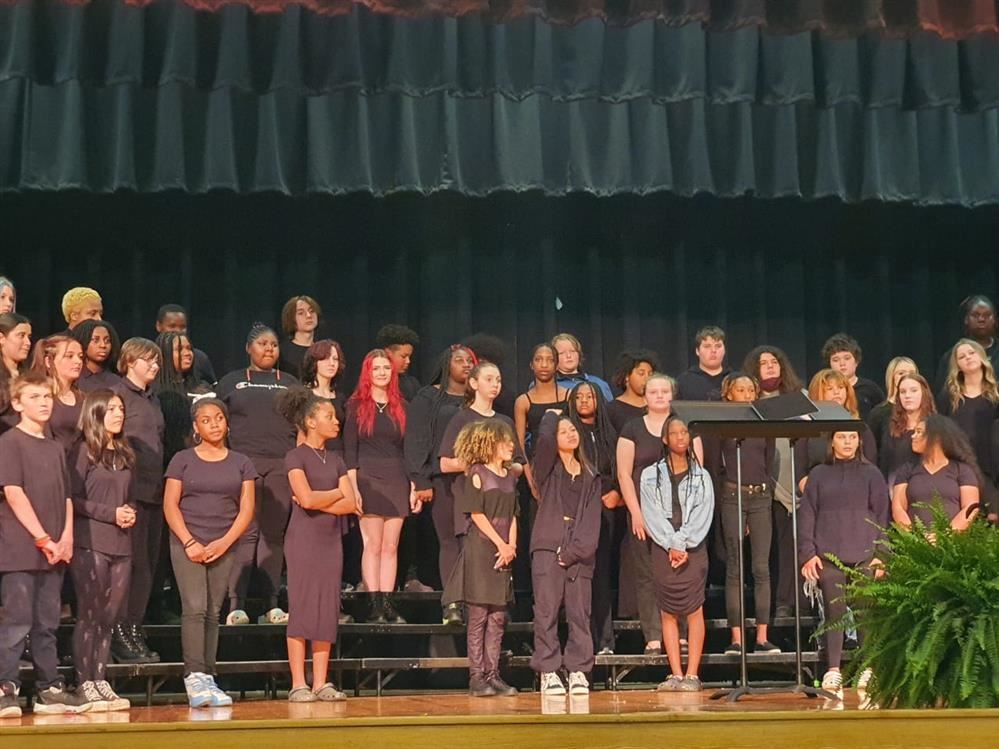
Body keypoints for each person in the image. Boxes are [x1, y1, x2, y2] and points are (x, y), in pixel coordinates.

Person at [0, 372, 91, 717]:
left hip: (55, 550)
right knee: (16, 621)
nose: (43, 403)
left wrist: (66, 538)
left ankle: (48, 688)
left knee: (47, 623)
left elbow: (66, 496)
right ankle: (5, 688)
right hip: (21, 549)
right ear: (18, 403)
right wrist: (42, 538)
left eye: (46, 397)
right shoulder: (10, 442)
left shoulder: (54, 447)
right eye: (34, 397)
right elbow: (14, 492)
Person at [164, 398, 256, 708]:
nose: (214, 424)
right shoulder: (182, 459)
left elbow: (246, 509)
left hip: (223, 544)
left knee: (213, 611)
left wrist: (225, 542)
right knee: (195, 607)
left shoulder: (242, 462)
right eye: (206, 420)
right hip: (187, 542)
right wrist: (189, 541)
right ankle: (194, 675)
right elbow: (170, 505)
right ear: (195, 426)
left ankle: (208, 675)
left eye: (218, 418)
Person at [278, 387, 357, 702]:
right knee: (303, 608)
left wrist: (328, 498)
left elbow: (350, 503)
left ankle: (321, 682)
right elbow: (305, 499)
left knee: (326, 609)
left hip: (330, 541)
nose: (336, 422)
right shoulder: (295, 457)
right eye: (329, 416)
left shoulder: (336, 459)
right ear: (311, 422)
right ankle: (298, 683)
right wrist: (335, 494)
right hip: (303, 541)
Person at [217, 323, 299, 625]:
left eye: (273, 345)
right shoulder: (232, 381)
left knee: (273, 535)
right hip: (243, 463)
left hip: (280, 463)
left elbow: (303, 424)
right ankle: (236, 605)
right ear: (248, 348)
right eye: (262, 344)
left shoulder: (289, 382)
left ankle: (272, 604)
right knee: (245, 532)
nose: (269, 349)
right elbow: (215, 419)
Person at [799, 430, 890, 699]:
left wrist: (882, 553)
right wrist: (808, 553)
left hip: (865, 554)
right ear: (832, 441)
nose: (848, 442)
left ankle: (869, 667)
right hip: (828, 555)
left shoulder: (872, 474)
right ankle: (833, 669)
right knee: (834, 609)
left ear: (860, 440)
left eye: (852, 437)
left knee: (865, 610)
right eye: (842, 437)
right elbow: (807, 516)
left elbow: (883, 517)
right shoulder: (818, 475)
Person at [617, 373, 702, 656]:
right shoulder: (632, 428)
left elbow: (698, 473)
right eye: (653, 392)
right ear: (644, 396)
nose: (659, 396)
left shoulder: (686, 425)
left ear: (672, 394)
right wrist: (636, 513)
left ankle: (681, 633)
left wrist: (690, 519)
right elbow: (624, 474)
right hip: (643, 512)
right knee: (646, 573)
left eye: (665, 391)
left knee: (680, 571)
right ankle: (653, 636)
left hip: (679, 514)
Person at [438, 361, 525, 624]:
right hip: (470, 496)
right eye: (489, 379)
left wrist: (504, 467)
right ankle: (455, 604)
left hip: (499, 502)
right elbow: (445, 463)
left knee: (497, 549)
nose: (495, 384)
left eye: (498, 379)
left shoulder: (504, 421)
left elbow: (519, 464)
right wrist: (482, 463)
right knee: (467, 549)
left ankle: (496, 603)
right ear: (474, 383)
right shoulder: (461, 418)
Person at [442, 419, 520, 698]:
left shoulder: (510, 475)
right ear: (490, 444)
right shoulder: (477, 473)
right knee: (478, 616)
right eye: (505, 441)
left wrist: (511, 546)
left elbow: (513, 515)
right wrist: (500, 543)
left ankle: (493, 674)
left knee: (498, 616)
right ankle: (476, 677)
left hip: (503, 550)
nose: (511, 445)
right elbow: (476, 514)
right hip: (483, 547)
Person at [69, 390, 135, 712]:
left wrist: (130, 510)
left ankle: (100, 678)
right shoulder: (83, 451)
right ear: (95, 413)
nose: (118, 414)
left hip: (122, 543)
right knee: (90, 613)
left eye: (120, 408)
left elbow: (129, 494)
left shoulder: (124, 452)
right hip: (91, 540)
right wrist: (111, 513)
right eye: (111, 409)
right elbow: (73, 499)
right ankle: (84, 681)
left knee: (110, 615)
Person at [530, 410, 602, 696]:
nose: (570, 435)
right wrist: (550, 416)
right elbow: (544, 440)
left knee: (580, 612)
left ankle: (578, 669)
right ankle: (548, 670)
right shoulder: (547, 469)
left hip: (579, 549)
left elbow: (592, 519)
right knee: (546, 611)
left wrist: (574, 552)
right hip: (548, 544)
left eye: (573, 430)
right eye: (564, 431)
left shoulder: (590, 474)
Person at [640, 415, 715, 693]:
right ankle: (675, 673)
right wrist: (671, 543)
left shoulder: (702, 476)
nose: (681, 437)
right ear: (665, 439)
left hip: (692, 548)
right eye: (675, 433)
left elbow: (703, 513)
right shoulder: (650, 475)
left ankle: (692, 674)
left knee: (694, 609)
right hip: (663, 548)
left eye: (685, 432)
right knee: (668, 611)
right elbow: (651, 514)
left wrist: (682, 543)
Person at [344, 349, 417, 624]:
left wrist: (414, 485)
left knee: (391, 546)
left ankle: (388, 604)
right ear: (368, 373)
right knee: (372, 544)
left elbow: (409, 450)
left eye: (386, 368)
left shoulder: (403, 406)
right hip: (367, 478)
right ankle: (373, 606)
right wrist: (353, 489)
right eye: (376, 368)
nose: (382, 373)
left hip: (397, 477)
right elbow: (350, 451)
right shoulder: (355, 406)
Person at [404, 344, 477, 610]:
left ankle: (476, 600)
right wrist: (421, 480)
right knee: (449, 540)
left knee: (474, 542)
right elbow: (417, 440)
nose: (466, 365)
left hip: (475, 480)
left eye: (470, 360)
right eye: (459, 360)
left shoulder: (478, 398)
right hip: (442, 479)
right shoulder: (428, 397)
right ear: (446, 364)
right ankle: (453, 602)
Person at [717, 372, 780, 655]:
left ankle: (762, 638)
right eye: (739, 390)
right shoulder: (722, 423)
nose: (745, 394)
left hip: (760, 496)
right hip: (733, 495)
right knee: (735, 567)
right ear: (729, 394)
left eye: (750, 390)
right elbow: (716, 463)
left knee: (761, 568)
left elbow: (768, 459)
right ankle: (737, 639)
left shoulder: (764, 422)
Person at [111, 338, 165, 663]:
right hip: (130, 492)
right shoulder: (118, 395)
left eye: (157, 361)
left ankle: (133, 629)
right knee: (131, 567)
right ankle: (119, 633)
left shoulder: (152, 398)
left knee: (147, 568)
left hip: (154, 493)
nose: (155, 366)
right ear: (130, 361)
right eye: (149, 360)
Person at [565, 382, 621, 655]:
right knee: (579, 575)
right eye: (580, 397)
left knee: (601, 575)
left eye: (590, 396)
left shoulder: (610, 435)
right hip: (578, 510)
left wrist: (617, 492)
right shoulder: (569, 434)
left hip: (607, 509)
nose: (585, 401)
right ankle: (580, 640)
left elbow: (621, 468)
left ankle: (606, 640)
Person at [936, 339, 999, 517]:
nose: (968, 358)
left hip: (990, 469)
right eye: (962, 356)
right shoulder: (948, 397)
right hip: (958, 467)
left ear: (982, 357)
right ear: (957, 365)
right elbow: (940, 431)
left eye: (972, 353)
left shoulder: (996, 394)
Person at [891, 415, 981, 532]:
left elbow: (971, 508)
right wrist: (913, 537)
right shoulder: (907, 470)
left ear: (936, 438)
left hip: (952, 539)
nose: (913, 436)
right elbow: (898, 507)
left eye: (919, 432)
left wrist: (945, 535)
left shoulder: (962, 470)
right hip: (914, 539)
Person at [30, 335, 85, 455]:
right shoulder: (40, 398)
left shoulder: (84, 398)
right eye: (69, 356)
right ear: (48, 361)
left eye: (80, 357)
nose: (78, 361)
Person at [879, 373, 936, 487]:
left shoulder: (935, 427)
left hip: (927, 490)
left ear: (924, 393)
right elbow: (885, 464)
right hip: (894, 489)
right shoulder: (891, 427)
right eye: (903, 392)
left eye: (913, 390)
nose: (907, 396)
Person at [934, 295, 999, 392]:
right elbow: (941, 392)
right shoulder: (952, 356)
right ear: (966, 319)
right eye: (975, 315)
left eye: (987, 315)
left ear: (995, 320)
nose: (981, 319)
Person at [821, 333, 885, 420]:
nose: (842, 364)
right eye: (836, 360)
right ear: (829, 364)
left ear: (856, 361)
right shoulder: (822, 389)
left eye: (847, 358)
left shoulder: (870, 389)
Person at [300, 339, 347, 454]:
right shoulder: (303, 396)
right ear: (314, 362)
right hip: (313, 456)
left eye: (335, 359)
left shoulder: (341, 398)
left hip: (337, 456)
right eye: (326, 358)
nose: (332, 363)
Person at [155, 304, 217, 385]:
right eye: (172, 326)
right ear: (158, 326)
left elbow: (212, 386)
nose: (178, 331)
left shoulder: (199, 358)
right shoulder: (149, 357)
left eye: (182, 327)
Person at [866, 357, 918, 450]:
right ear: (891, 377)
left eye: (912, 373)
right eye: (901, 373)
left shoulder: (923, 411)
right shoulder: (878, 414)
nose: (907, 376)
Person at [606, 349, 660, 434]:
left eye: (650, 374)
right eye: (641, 374)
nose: (647, 378)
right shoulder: (611, 410)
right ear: (627, 376)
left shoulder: (659, 405)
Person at [551, 333, 613, 403]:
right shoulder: (551, 386)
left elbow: (610, 408)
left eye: (572, 351)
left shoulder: (599, 383)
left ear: (579, 354)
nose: (568, 355)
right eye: (562, 353)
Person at [676, 326, 731, 402]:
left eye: (718, 346)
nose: (713, 350)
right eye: (707, 346)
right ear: (697, 351)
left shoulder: (734, 380)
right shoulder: (683, 381)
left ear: (724, 350)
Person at [0, 312, 32, 433]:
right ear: (2, 338)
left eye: (29, 337)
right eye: (21, 335)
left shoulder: (28, 376)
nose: (28, 343)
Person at [72, 319, 122, 393]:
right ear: (82, 342)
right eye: (96, 340)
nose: (103, 345)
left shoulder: (117, 381)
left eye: (107, 341)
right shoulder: (73, 378)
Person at [375, 324, 422, 402]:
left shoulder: (412, 384)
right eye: (403, 356)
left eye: (409, 357)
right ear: (388, 353)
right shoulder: (372, 382)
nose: (408, 361)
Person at [278, 295, 322, 378]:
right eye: (301, 313)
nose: (309, 315)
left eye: (312, 311)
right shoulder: (281, 352)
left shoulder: (323, 350)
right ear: (290, 319)